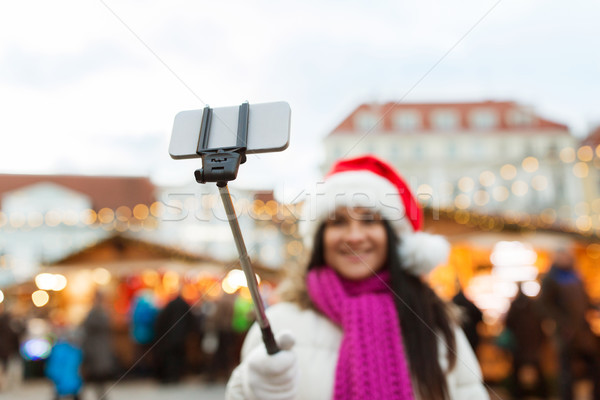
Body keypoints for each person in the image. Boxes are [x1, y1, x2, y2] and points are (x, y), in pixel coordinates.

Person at [226, 155, 488, 400]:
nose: (354, 237)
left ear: (392, 235)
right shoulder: (280, 323)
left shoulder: (434, 322)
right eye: (338, 222)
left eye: (369, 220)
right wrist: (251, 389)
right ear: (320, 237)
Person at [539, 248, 600, 400]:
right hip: (565, 332)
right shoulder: (550, 278)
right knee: (566, 371)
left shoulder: (575, 275)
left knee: (594, 365)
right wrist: (563, 322)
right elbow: (543, 305)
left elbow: (585, 300)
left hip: (583, 330)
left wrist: (594, 308)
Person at [504, 283, 548, 399]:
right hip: (533, 344)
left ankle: (518, 395)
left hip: (519, 346)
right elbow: (541, 322)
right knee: (537, 371)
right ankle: (542, 395)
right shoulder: (534, 305)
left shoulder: (515, 306)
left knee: (517, 373)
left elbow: (508, 324)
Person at [153, 292, 194, 383]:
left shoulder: (170, 305)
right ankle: (177, 375)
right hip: (181, 336)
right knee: (179, 356)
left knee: (170, 357)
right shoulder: (185, 305)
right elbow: (191, 320)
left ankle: (170, 376)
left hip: (170, 336)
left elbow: (161, 320)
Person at [45, 329, 83, 400]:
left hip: (60, 383)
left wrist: (51, 376)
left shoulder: (57, 350)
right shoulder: (76, 351)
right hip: (75, 383)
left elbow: (52, 368)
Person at [452, 284, 483, 352]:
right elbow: (480, 316)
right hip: (472, 335)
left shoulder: (452, 303)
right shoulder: (469, 304)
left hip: (458, 337)